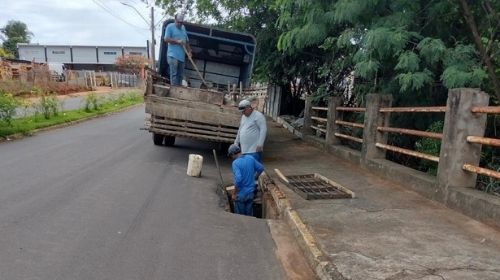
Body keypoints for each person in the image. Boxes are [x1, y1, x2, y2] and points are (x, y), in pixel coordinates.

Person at [228, 144, 264, 216]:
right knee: (249, 216)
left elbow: (238, 179)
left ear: (233, 154)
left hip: (241, 194)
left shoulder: (235, 163)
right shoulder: (250, 158)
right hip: (250, 193)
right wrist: (254, 177)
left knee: (240, 217)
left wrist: (234, 193)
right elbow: (261, 168)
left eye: (231, 156)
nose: (232, 158)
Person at [163, 13, 192, 86]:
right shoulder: (170, 27)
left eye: (181, 22)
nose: (179, 24)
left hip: (181, 57)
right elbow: (166, 39)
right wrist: (177, 41)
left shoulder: (183, 28)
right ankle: (173, 89)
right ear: (175, 20)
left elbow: (187, 41)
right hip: (172, 55)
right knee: (174, 74)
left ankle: (179, 90)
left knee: (180, 75)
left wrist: (189, 51)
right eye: (178, 22)